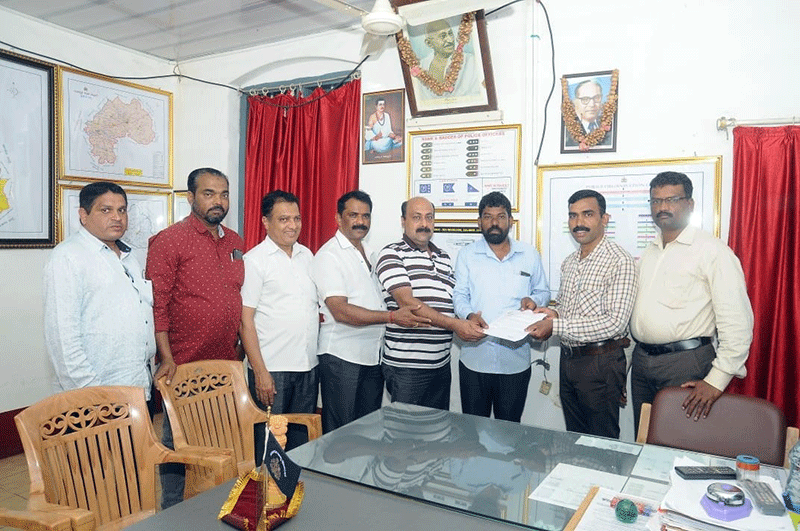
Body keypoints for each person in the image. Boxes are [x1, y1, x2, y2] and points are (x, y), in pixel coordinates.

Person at [146, 167, 245, 509]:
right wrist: (166, 357)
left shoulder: (234, 241)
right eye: (209, 193)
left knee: (219, 437)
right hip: (183, 363)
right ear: (190, 198)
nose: (218, 201)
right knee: (179, 443)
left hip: (225, 362)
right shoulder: (169, 241)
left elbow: (236, 296)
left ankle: (214, 501)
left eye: (224, 194)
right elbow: (157, 305)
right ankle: (173, 511)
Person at [630, 172, 753, 432]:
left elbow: (737, 322)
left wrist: (717, 380)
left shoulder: (712, 251)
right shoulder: (650, 252)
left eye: (672, 200)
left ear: (690, 204)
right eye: (656, 201)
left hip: (686, 364)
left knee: (680, 441)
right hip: (642, 363)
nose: (662, 207)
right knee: (644, 439)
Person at [313, 191, 429, 433]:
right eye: (353, 215)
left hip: (373, 358)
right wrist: (392, 317)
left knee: (367, 433)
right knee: (340, 434)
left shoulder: (370, 252)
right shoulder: (329, 256)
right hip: (342, 358)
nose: (360, 221)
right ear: (338, 218)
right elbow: (341, 311)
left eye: (366, 216)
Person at [527, 190, 637, 439]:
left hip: (601, 362)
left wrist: (555, 327)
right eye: (573, 215)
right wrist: (552, 314)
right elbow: (566, 309)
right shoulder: (570, 262)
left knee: (601, 441)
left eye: (587, 214)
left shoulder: (619, 261)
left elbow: (614, 323)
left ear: (604, 219)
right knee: (574, 438)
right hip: (568, 360)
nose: (579, 222)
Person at [44, 181, 154, 398]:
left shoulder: (129, 257)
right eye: (106, 210)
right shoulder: (67, 257)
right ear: (83, 215)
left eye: (122, 210)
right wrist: (92, 396)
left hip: (138, 384)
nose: (117, 217)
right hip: (97, 395)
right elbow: (62, 342)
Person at [376, 196, 485, 410]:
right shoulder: (391, 253)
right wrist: (456, 325)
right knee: (405, 427)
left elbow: (453, 300)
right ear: (403, 221)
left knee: (436, 427)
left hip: (440, 364)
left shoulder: (443, 257)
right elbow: (408, 303)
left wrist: (470, 317)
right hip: (407, 367)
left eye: (429, 217)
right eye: (416, 217)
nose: (424, 224)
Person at [453, 192, 550, 422]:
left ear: (510, 221)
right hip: (475, 359)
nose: (494, 222)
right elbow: (459, 295)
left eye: (501, 216)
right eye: (488, 217)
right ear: (479, 222)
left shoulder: (529, 254)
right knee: (473, 428)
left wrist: (534, 301)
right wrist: (468, 314)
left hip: (514, 361)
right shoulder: (467, 255)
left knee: (509, 430)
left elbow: (543, 291)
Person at [240, 190, 319, 459]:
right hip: (273, 370)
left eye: (296, 218)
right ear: (265, 221)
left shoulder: (307, 255)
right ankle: (266, 488)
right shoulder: (255, 261)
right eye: (284, 219)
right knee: (269, 448)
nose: (292, 225)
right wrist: (261, 372)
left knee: (300, 444)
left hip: (307, 366)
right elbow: (245, 321)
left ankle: (296, 486)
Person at [414, 19, 484, 102]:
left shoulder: (470, 61)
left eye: (450, 34)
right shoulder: (422, 66)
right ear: (429, 43)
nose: (450, 40)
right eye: (443, 36)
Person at [564, 79, 613, 147]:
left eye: (596, 98)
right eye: (585, 99)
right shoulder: (568, 132)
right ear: (576, 102)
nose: (592, 104)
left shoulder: (610, 126)